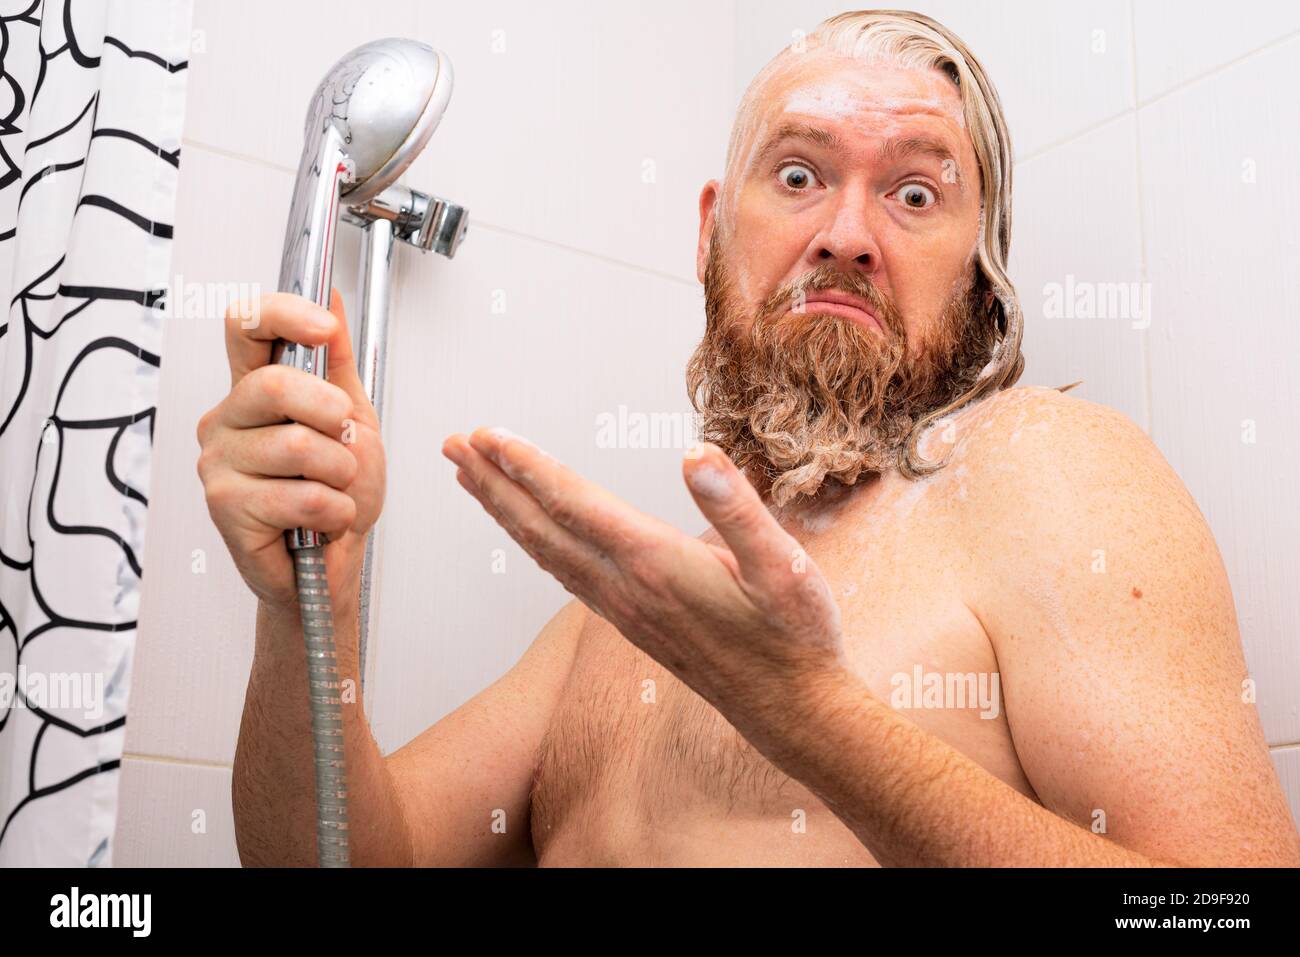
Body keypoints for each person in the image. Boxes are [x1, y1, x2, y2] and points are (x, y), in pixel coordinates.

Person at [196, 9, 1299, 866]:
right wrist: (306, 610)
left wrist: (809, 718)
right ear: (711, 230)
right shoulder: (621, 618)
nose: (849, 235)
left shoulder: (1048, 475)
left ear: (979, 267)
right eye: (800, 175)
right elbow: (333, 860)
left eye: (915, 193)